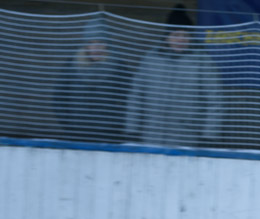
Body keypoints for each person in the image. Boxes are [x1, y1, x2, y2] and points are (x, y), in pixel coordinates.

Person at [123, 5, 223, 148]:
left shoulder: (202, 61)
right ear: (166, 37)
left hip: (186, 138)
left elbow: (215, 100)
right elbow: (136, 96)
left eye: (185, 35)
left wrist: (209, 135)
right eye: (176, 35)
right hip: (151, 137)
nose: (180, 40)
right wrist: (132, 129)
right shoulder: (151, 59)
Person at [54, 16, 128, 143]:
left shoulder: (118, 67)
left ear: (107, 45)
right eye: (92, 42)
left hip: (108, 136)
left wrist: (115, 126)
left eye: (101, 42)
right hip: (76, 134)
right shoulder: (71, 66)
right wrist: (69, 125)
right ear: (86, 45)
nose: (96, 47)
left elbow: (127, 100)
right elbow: (59, 98)